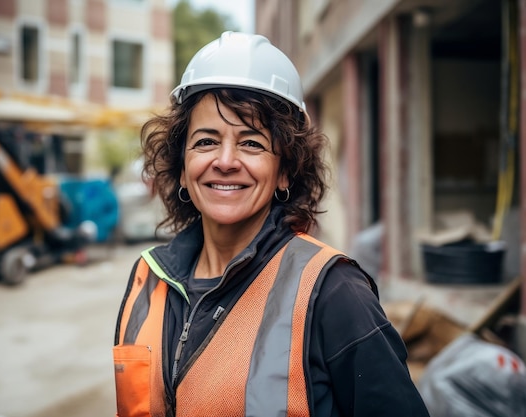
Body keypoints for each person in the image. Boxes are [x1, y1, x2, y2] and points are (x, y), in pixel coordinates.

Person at [113, 31, 430, 417]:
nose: (226, 160)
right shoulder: (149, 279)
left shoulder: (334, 292)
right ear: (182, 169)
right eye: (206, 142)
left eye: (251, 143)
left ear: (285, 172)